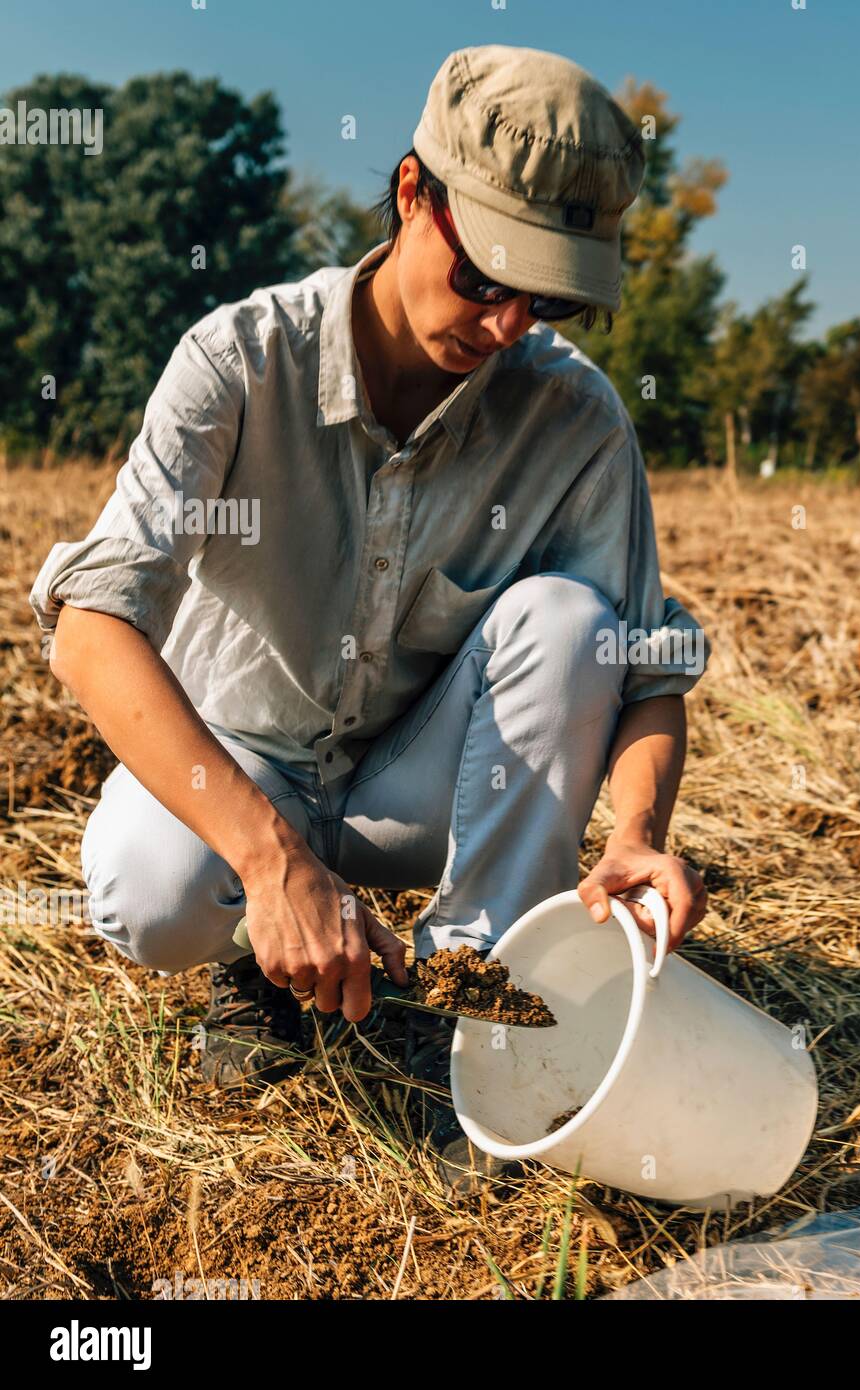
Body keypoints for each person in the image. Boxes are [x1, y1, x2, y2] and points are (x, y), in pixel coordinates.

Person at [29, 45, 710, 1112]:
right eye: (484, 277)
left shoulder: (573, 419)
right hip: (244, 766)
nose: (505, 327)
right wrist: (268, 861)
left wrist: (634, 834)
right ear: (410, 194)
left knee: (573, 623)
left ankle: (471, 996)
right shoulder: (241, 362)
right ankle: (259, 959)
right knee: (147, 890)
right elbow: (91, 625)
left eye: (546, 304)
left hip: (417, 783)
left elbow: (641, 668)